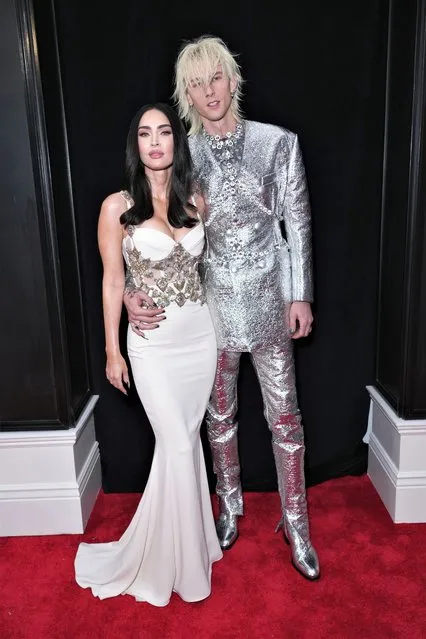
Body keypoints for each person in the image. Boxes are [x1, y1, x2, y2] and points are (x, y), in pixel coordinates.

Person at [125, 36, 320, 581]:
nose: (209, 90)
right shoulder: (182, 151)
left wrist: (300, 293)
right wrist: (125, 289)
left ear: (233, 79)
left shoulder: (278, 143)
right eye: (196, 82)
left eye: (217, 77)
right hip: (207, 311)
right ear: (186, 93)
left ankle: (297, 521)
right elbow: (143, 219)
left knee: (285, 419)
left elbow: (296, 223)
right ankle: (228, 507)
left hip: (269, 302)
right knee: (219, 417)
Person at [74, 103, 222, 606]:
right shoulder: (116, 206)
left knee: (183, 443)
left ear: (177, 143)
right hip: (153, 347)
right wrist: (113, 350)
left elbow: (213, 273)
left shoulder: (197, 198)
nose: (155, 141)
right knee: (178, 445)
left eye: (164, 132)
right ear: (135, 145)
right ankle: (180, 570)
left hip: (200, 339)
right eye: (144, 133)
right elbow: (113, 279)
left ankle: (189, 545)